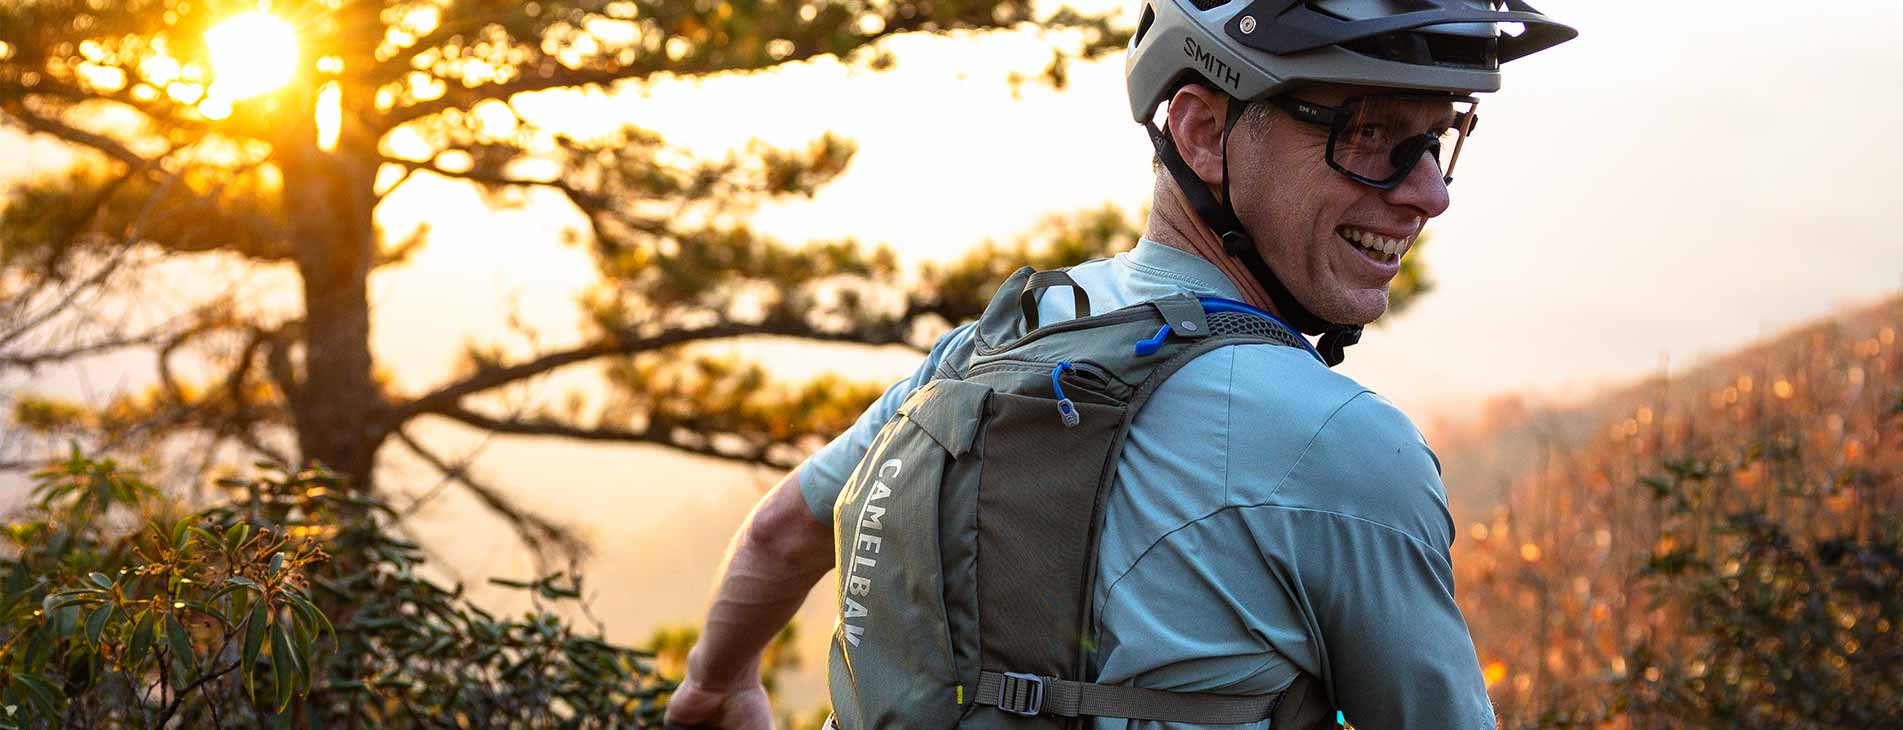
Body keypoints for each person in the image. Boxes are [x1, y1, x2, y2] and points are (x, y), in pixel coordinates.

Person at [664, 0, 1574, 727]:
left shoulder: (1000, 338)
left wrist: (715, 685)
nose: (1430, 192)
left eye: (1439, 136)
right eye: (1371, 136)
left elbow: (783, 534)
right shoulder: (1343, 444)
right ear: (1202, 131)